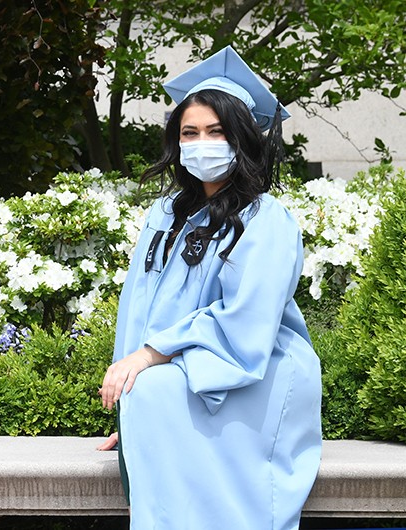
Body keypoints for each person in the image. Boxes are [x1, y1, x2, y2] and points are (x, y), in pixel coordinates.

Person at [97, 47, 322, 529]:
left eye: (217, 132)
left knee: (157, 395)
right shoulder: (166, 215)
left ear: (242, 139)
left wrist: (151, 362)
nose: (202, 143)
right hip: (176, 369)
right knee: (150, 399)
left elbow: (246, 325)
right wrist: (132, 401)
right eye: (190, 133)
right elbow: (137, 309)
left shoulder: (265, 220)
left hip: (252, 372)